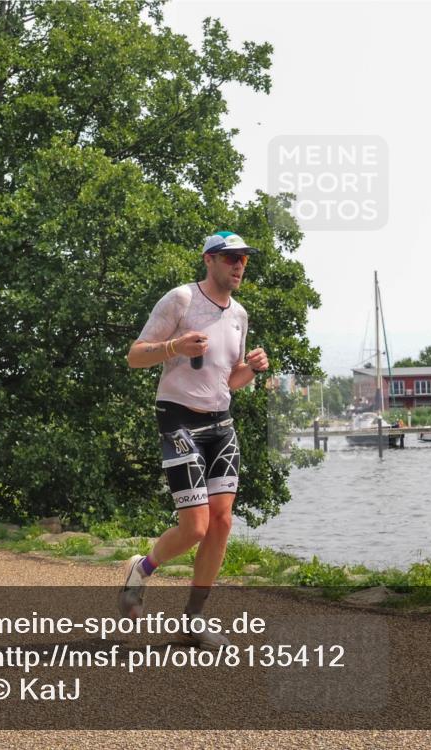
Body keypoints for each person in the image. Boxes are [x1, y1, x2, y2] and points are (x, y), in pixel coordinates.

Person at [123, 231, 269, 649]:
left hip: (221, 423)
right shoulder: (181, 300)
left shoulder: (239, 314)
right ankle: (142, 569)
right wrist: (175, 346)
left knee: (222, 522)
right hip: (179, 419)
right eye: (230, 259)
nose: (239, 265)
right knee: (196, 527)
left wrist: (253, 369)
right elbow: (135, 356)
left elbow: (231, 378)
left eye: (243, 259)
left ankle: (192, 621)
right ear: (209, 260)